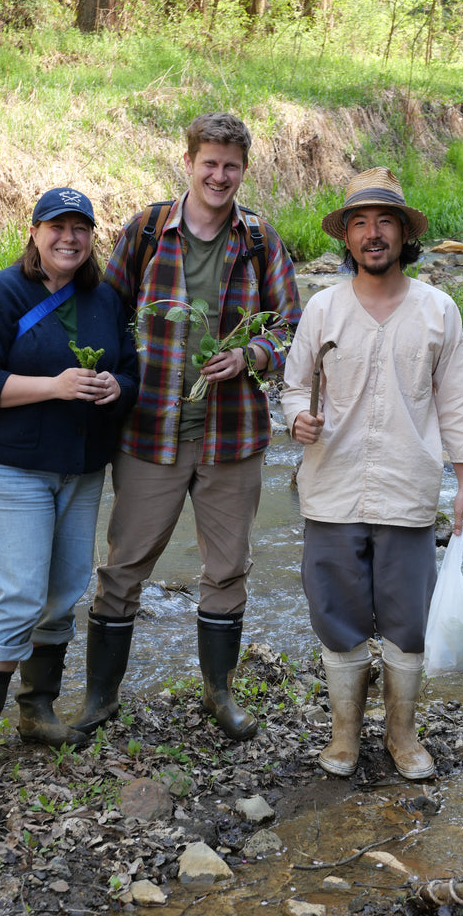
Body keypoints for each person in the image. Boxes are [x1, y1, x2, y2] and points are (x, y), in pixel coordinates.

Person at [70, 113, 301, 741]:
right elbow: (105, 312)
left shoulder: (261, 240)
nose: (219, 176)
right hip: (149, 432)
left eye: (231, 166)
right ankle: (99, 699)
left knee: (227, 569)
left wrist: (253, 356)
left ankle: (219, 694)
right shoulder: (147, 230)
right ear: (189, 162)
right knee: (123, 569)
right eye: (210, 163)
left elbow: (290, 325)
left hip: (234, 435)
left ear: (243, 170)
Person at [281, 167, 463, 780]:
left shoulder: (437, 311)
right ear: (347, 237)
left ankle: (402, 733)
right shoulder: (322, 309)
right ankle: (345, 734)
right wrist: (298, 420)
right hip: (331, 490)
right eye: (361, 223)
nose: (373, 234)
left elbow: (458, 402)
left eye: (385, 222)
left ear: (404, 235)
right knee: (335, 612)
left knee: (407, 616)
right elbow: (294, 386)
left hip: (407, 488)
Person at [0, 187, 139, 790]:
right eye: (56, 227)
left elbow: (131, 370)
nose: (69, 238)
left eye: (80, 228)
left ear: (91, 238)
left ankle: (36, 711)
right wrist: (53, 386)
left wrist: (118, 389)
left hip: (81, 469)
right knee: (18, 595)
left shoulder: (104, 298)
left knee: (63, 592)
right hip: (9, 468)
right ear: (34, 232)